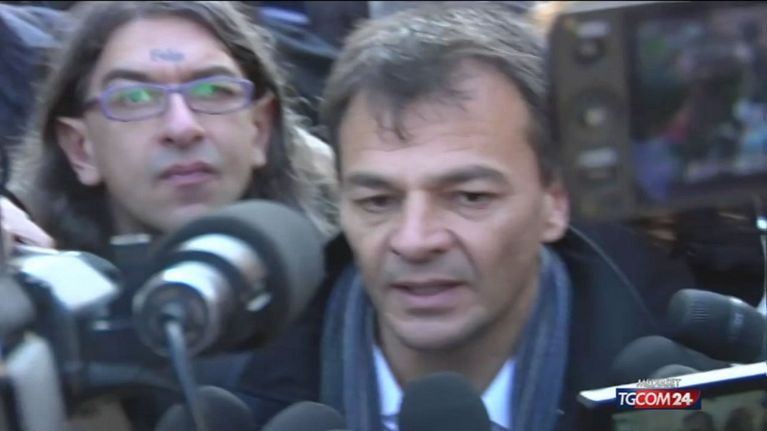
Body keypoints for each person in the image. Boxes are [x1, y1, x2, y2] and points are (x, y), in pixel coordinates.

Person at [316, 3, 665, 430]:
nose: (414, 240)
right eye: (377, 201)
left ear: (556, 200)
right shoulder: (250, 397)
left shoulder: (661, 393)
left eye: (470, 197)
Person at [5, 1, 337, 428]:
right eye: (135, 97)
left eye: (212, 91)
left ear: (260, 128)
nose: (182, 127)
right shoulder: (27, 323)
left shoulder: (348, 313)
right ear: (80, 148)